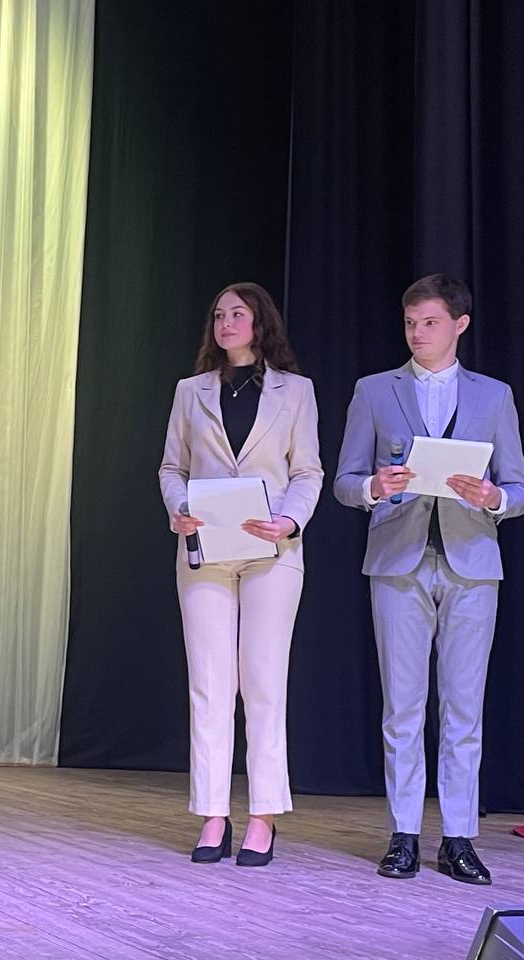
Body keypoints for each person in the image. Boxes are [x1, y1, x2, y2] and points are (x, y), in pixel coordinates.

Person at [334, 273, 524, 885]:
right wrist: (373, 487)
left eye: (431, 323)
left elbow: (517, 485)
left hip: (472, 561)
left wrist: (495, 497)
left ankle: (459, 837)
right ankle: (405, 834)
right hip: (398, 559)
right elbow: (344, 480)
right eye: (411, 323)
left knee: (464, 707)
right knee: (403, 706)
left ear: (460, 325)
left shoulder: (494, 395)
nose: (418, 334)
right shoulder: (374, 390)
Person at [159, 282, 323, 867]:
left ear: (260, 323)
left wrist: (289, 521)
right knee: (209, 683)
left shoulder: (295, 391)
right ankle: (212, 814)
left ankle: (263, 816)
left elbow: (307, 472)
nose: (226, 322)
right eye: (219, 315)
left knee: (263, 681)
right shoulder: (191, 391)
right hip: (206, 548)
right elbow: (172, 466)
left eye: (238, 313)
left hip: (270, 550)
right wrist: (179, 508)